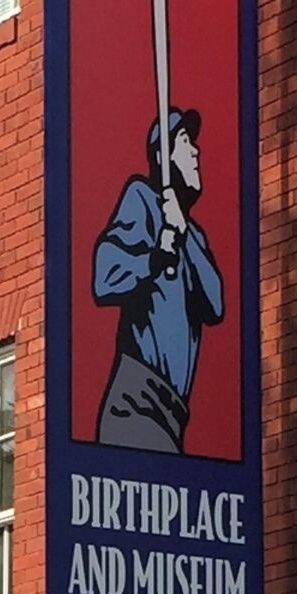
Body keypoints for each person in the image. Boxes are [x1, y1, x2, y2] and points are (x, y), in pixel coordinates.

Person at [92, 109, 224, 453]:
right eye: (185, 142)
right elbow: (105, 277)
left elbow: (215, 305)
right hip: (138, 397)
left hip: (173, 411)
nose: (195, 152)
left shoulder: (194, 234)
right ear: (164, 158)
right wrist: (155, 255)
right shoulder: (142, 198)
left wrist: (182, 232)